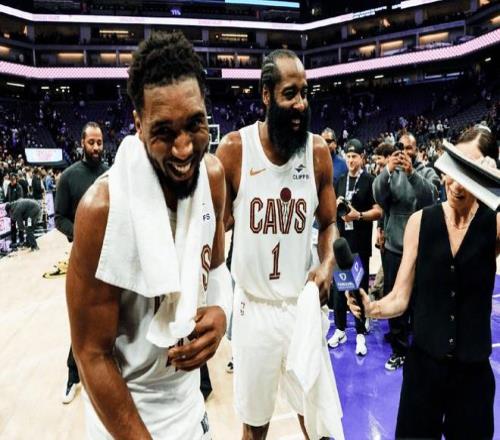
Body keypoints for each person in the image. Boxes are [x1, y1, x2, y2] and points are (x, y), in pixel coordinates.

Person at [66, 31, 229, 439]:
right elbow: (90, 355)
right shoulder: (101, 211)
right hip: (125, 419)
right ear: (138, 125)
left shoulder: (213, 176)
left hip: (190, 407)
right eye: (164, 131)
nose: (183, 148)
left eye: (194, 124)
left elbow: (217, 267)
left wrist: (221, 311)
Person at [216, 49, 339, 439]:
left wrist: (327, 264)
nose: (301, 103)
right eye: (290, 94)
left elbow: (329, 222)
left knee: (318, 423)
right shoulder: (235, 150)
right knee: (255, 427)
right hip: (253, 310)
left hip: (301, 306)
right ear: (266, 94)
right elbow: (214, 232)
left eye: (305, 93)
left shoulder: (317, 152)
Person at [348, 126, 499, 439]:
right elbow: (400, 297)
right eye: (455, 170)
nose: (456, 184)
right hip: (423, 372)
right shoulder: (420, 222)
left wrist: (495, 187)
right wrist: (371, 307)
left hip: (472, 375)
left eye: (470, 173)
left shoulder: (493, 224)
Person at [373, 133, 440, 370]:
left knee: (420, 301)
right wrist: (387, 171)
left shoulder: (427, 171)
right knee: (394, 296)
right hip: (394, 247)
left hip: (421, 249)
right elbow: (378, 197)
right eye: (401, 148)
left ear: (417, 150)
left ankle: (420, 346)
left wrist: (411, 173)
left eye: (409, 148)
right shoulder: (392, 173)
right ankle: (399, 349)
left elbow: (431, 197)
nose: (405, 153)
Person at [55, 121, 108, 404]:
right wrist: (82, 233)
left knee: (111, 317)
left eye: (99, 142)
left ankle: (109, 374)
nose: (96, 147)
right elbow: (59, 217)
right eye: (91, 142)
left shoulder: (111, 175)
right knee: (82, 320)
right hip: (82, 261)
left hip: (110, 258)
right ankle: (72, 376)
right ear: (82, 143)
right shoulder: (68, 177)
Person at [328, 139, 382, 356]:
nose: (351, 160)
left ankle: (360, 333)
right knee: (339, 290)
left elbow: (378, 211)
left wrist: (358, 215)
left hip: (360, 244)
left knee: (359, 289)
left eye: (354, 156)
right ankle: (340, 330)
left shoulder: (370, 181)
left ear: (362, 158)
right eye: (348, 156)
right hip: (343, 245)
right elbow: (332, 215)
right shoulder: (340, 181)